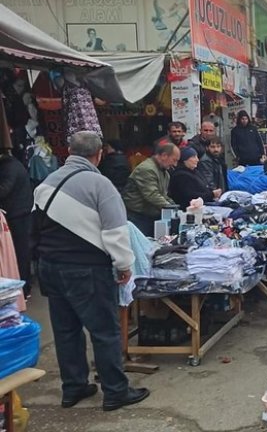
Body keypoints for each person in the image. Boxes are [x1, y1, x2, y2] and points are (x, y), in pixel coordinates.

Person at [32, 131, 149, 411]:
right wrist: (124, 265)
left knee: (66, 330)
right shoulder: (100, 184)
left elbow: (34, 225)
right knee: (104, 330)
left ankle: (73, 388)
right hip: (86, 268)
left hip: (50, 266)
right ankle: (115, 391)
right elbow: (116, 231)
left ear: (69, 152)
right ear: (99, 154)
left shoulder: (46, 183)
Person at [122, 143, 179, 236]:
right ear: (164, 156)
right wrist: (171, 208)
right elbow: (152, 195)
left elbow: (163, 195)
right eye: (174, 160)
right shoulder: (147, 169)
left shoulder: (164, 172)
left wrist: (176, 207)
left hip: (149, 215)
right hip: (137, 216)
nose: (175, 164)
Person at [0, 151, 33, 296]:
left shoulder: (9, 167)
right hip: (19, 213)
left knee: (19, 253)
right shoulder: (12, 164)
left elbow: (4, 189)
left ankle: (23, 289)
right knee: (19, 252)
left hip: (17, 215)